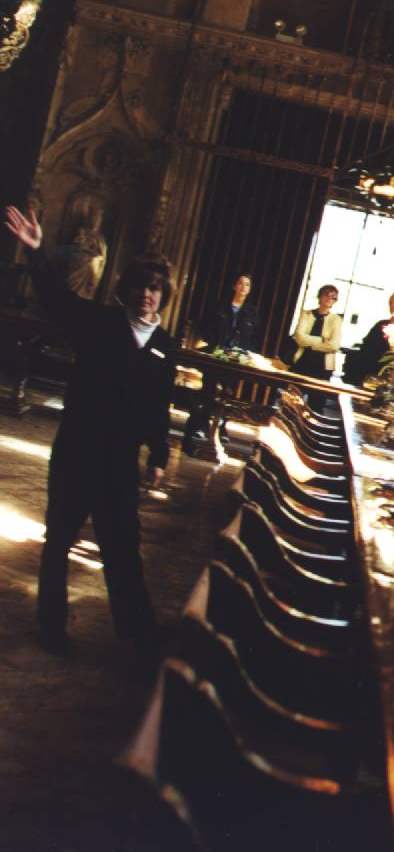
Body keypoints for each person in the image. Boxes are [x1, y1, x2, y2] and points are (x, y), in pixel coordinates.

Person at [4, 204, 176, 657]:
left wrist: (159, 455)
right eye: (140, 286)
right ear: (127, 290)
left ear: (163, 295)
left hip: (120, 461)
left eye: (154, 288)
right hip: (78, 451)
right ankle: (51, 625)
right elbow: (56, 299)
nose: (146, 295)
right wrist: (37, 251)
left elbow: (158, 407)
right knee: (59, 539)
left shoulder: (164, 346)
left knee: (122, 546)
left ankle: (139, 631)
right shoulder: (99, 323)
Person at [182, 273, 261, 453]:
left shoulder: (252, 313)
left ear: (249, 289)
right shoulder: (219, 307)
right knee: (208, 390)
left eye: (247, 285)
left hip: (237, 360)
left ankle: (221, 426)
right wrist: (213, 343)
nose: (243, 287)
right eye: (240, 283)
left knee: (228, 394)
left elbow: (256, 338)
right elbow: (204, 326)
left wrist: (246, 352)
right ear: (234, 286)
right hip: (216, 356)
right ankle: (201, 425)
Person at [291, 284, 342, 412]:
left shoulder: (336, 320)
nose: (329, 299)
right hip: (302, 362)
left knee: (316, 406)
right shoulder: (306, 314)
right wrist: (321, 340)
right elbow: (299, 338)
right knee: (293, 401)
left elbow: (334, 346)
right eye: (327, 295)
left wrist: (309, 342)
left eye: (333, 297)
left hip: (323, 367)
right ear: (320, 296)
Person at [343, 291, 394, 386]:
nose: (393, 305)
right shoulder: (380, 325)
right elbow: (367, 345)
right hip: (373, 368)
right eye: (391, 303)